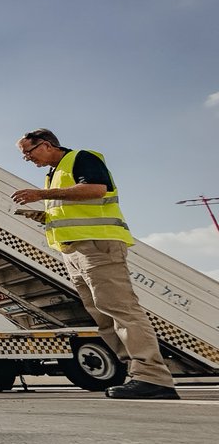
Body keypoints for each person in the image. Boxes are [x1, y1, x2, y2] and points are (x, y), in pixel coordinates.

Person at [12, 128, 178, 399]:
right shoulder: (53, 174)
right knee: (104, 318)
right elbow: (74, 208)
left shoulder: (81, 158)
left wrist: (40, 195)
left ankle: (153, 377)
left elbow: (96, 189)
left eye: (28, 153)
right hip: (74, 250)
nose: (28, 159)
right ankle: (138, 375)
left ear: (45, 145)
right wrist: (45, 215)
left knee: (122, 311)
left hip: (97, 246)